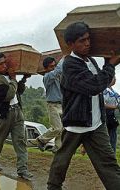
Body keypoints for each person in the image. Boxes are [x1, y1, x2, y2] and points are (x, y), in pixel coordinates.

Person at [47, 22, 120, 190]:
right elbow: (93, 86)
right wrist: (109, 66)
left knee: (108, 163)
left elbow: (103, 82)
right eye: (81, 41)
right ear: (71, 45)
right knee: (62, 161)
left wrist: (109, 65)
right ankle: (53, 187)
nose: (87, 43)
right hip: (76, 123)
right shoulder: (70, 64)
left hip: (95, 123)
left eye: (88, 39)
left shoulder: (91, 61)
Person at [0, 52, 33, 180]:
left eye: (5, 62)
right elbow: (8, 95)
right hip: (5, 114)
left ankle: (22, 169)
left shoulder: (9, 76)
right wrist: (13, 79)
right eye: (0, 64)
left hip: (17, 111)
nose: (4, 66)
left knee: (20, 141)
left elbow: (20, 91)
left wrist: (23, 79)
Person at [33, 57, 63, 152]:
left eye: (54, 66)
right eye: (51, 66)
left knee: (62, 129)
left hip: (61, 104)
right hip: (52, 105)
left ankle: (58, 147)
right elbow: (58, 71)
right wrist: (64, 57)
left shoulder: (58, 78)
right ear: (46, 69)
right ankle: (41, 140)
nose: (53, 68)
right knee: (57, 128)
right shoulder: (47, 77)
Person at [103, 77, 119, 153]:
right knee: (104, 139)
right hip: (104, 115)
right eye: (113, 78)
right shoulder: (103, 90)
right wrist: (116, 106)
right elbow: (102, 104)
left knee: (112, 138)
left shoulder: (114, 92)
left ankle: (112, 157)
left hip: (112, 116)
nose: (115, 79)